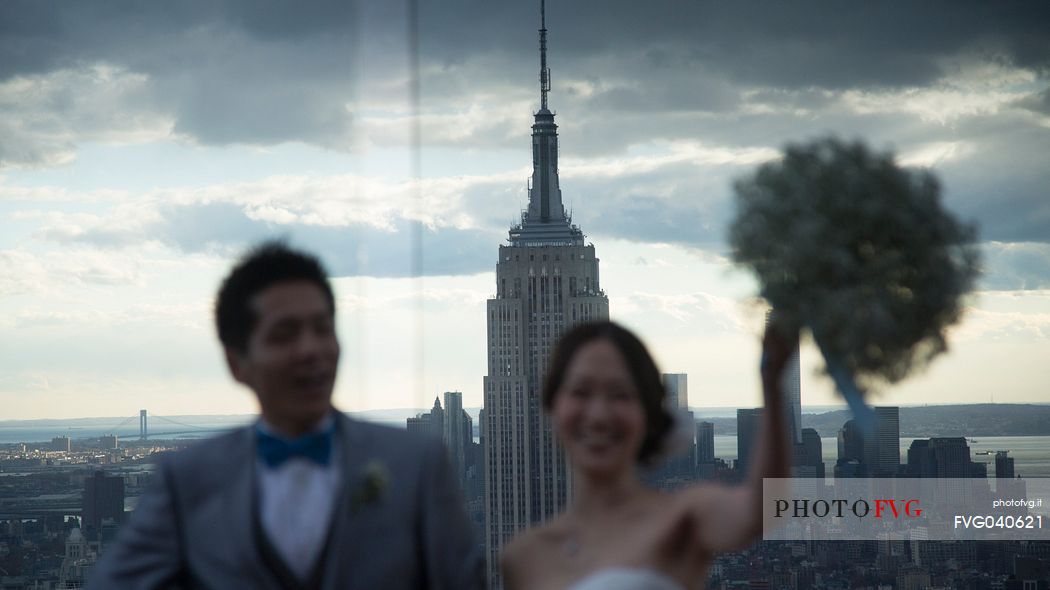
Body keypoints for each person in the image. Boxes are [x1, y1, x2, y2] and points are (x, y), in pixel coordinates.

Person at [88, 242, 484, 590]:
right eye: (284, 334)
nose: (310, 349)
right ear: (236, 363)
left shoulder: (417, 464)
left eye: (322, 328)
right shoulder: (187, 480)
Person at [501, 320, 794, 590]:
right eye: (581, 392)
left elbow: (765, 509)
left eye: (620, 395)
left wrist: (772, 378)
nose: (599, 415)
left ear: (649, 414)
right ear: (553, 405)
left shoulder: (683, 519)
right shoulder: (522, 557)